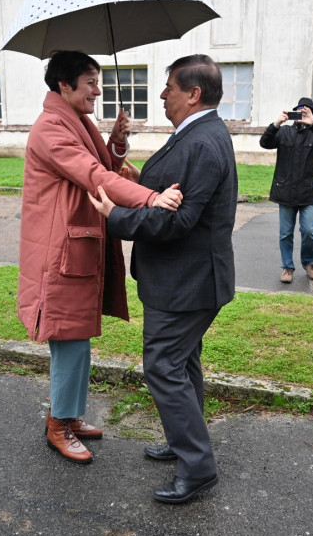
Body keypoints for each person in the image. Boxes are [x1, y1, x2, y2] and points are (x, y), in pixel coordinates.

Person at [17, 51, 182, 465]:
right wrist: (151, 199)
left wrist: (118, 140)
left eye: (98, 80)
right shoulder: (51, 128)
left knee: (78, 338)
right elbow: (95, 176)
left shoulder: (76, 120)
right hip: (60, 251)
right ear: (64, 85)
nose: (98, 89)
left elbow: (106, 163)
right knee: (69, 340)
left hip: (78, 244)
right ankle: (58, 426)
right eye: (90, 81)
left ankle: (69, 416)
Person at [88, 54, 237, 504]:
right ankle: (183, 440)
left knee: (163, 366)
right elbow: (170, 187)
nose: (161, 95)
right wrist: (137, 179)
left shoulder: (203, 142)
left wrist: (118, 216)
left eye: (169, 87)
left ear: (193, 94)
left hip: (187, 281)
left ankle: (198, 466)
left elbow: (178, 222)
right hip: (183, 279)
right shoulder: (195, 134)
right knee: (183, 363)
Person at [259, 98, 313, 284]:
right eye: (298, 111)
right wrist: (276, 124)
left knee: (309, 231)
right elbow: (264, 143)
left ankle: (308, 263)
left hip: (308, 192)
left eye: (305, 111)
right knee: (285, 233)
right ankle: (287, 267)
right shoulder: (284, 131)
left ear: (312, 114)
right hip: (286, 191)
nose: (301, 114)